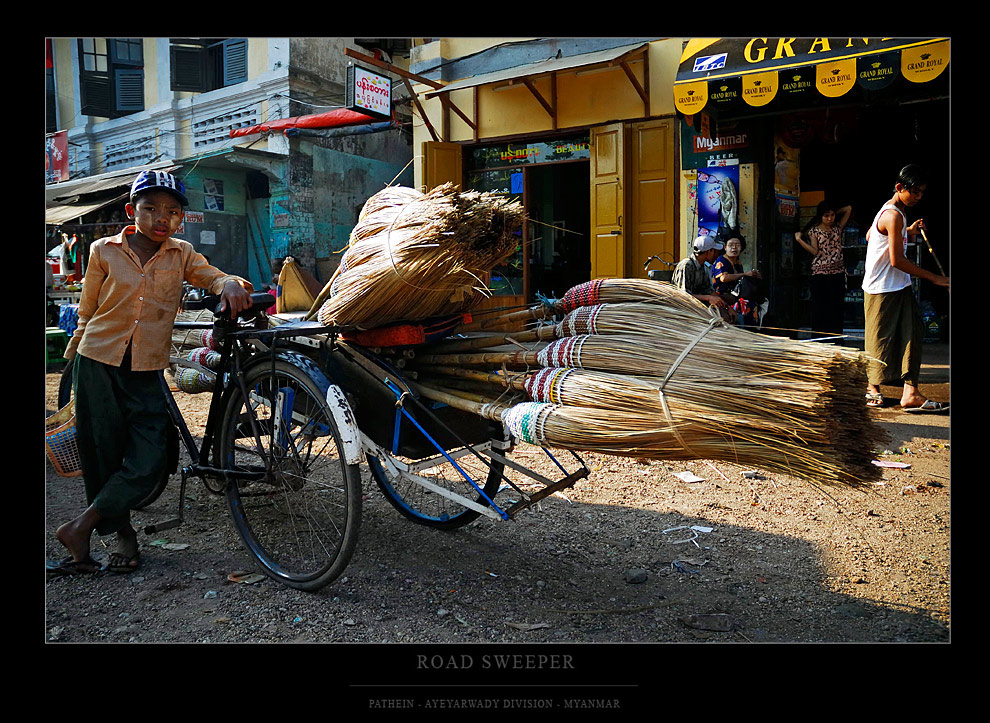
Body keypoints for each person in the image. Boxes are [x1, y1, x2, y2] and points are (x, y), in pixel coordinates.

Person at [50, 170, 254, 575]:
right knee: (103, 453)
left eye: (173, 211)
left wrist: (230, 282)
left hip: (145, 368)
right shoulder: (102, 251)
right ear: (132, 211)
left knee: (154, 456)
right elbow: (88, 310)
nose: (162, 217)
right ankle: (122, 539)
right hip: (97, 361)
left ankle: (80, 527)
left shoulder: (182, 253)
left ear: (181, 218)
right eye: (151, 209)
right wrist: (73, 360)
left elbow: (211, 277)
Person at [862, 164, 949, 412]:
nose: (920, 196)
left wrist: (906, 232)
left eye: (922, 192)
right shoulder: (893, 214)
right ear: (900, 188)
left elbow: (870, 235)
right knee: (879, 339)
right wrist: (935, 278)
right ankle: (872, 388)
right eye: (916, 192)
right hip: (880, 287)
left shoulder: (895, 214)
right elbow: (896, 260)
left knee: (912, 335)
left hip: (899, 285)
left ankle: (910, 393)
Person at [794, 201, 853, 341]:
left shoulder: (837, 227)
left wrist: (833, 211)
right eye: (826, 216)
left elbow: (848, 208)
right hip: (820, 276)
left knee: (836, 308)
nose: (830, 218)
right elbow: (814, 251)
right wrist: (800, 240)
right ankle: (820, 339)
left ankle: (836, 339)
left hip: (837, 274)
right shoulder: (814, 231)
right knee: (820, 309)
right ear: (820, 216)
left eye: (832, 215)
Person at [672, 234, 736, 322]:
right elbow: (683, 295)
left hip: (699, 303)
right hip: (686, 306)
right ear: (708, 252)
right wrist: (708, 298)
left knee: (727, 309)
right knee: (721, 318)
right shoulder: (686, 266)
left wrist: (727, 307)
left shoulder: (704, 267)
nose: (716, 255)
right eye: (714, 252)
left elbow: (708, 290)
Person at [711, 234, 762, 326]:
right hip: (722, 297)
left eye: (737, 245)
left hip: (735, 296)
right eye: (730, 245)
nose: (734, 248)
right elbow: (723, 278)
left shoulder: (738, 263)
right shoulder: (721, 260)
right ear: (725, 247)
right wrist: (744, 274)